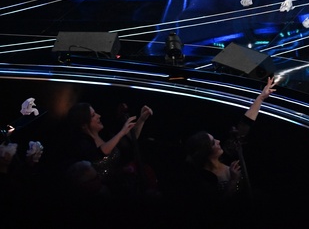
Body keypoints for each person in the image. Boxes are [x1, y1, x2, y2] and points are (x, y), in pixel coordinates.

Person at [177, 77, 276, 215]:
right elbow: (216, 207)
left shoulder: (225, 157)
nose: (218, 141)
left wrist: (261, 98)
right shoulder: (203, 179)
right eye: (213, 142)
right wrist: (233, 181)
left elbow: (243, 128)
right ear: (206, 151)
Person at [63, 101, 156, 200]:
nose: (99, 116)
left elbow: (131, 138)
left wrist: (142, 119)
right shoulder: (82, 145)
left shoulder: (105, 134)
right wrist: (122, 132)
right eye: (93, 115)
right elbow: (100, 153)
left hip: (123, 185)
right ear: (83, 125)